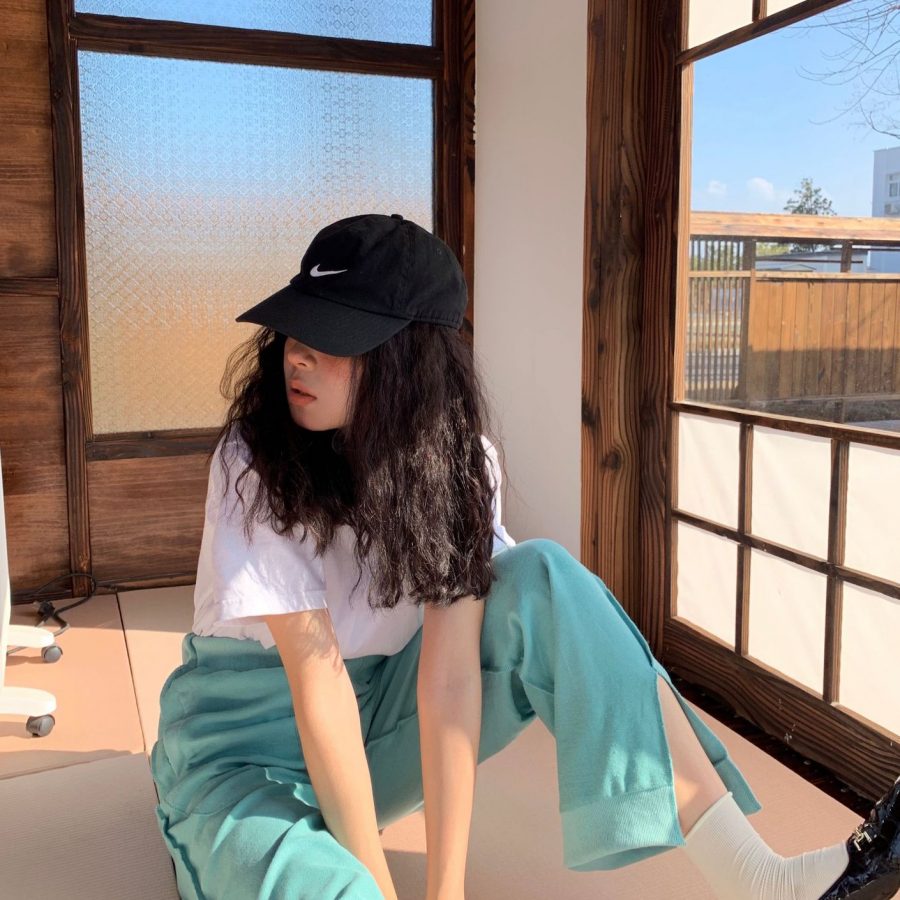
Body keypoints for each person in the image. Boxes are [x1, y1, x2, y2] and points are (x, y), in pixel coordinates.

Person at [150, 212, 900, 900]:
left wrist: (446, 892)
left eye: (333, 334)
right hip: (241, 756)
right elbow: (317, 683)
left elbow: (449, 684)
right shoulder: (256, 456)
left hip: (376, 728)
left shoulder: (458, 464)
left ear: (411, 362)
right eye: (296, 327)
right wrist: (377, 882)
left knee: (546, 578)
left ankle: (763, 882)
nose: (298, 354)